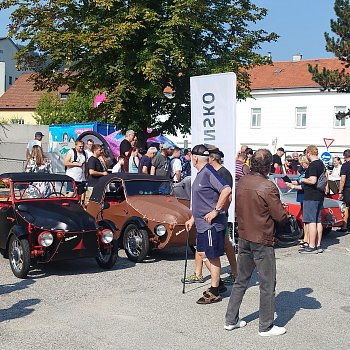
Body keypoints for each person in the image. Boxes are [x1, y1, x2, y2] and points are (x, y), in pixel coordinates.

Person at [225, 149, 288, 336]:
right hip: (262, 238)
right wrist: (283, 212)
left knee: (241, 280)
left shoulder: (242, 181)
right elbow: (280, 216)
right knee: (267, 283)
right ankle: (266, 326)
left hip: (244, 235)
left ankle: (231, 319)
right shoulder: (268, 186)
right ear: (268, 166)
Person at [185, 144, 231, 304]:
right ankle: (218, 282)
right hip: (201, 225)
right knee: (204, 255)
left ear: (195, 157)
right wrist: (192, 219)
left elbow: (226, 190)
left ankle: (214, 291)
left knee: (212, 257)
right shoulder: (201, 174)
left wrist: (216, 211)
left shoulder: (209, 172)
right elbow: (201, 200)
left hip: (212, 225)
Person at [299, 145, 326, 254]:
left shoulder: (313, 165)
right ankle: (318, 244)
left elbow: (312, 180)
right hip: (319, 195)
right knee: (318, 221)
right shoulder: (321, 164)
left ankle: (311, 245)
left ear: (309, 153)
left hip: (311, 196)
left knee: (310, 221)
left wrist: (303, 180)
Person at [286, 156, 310, 247]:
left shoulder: (307, 172)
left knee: (307, 219)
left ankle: (307, 239)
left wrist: (292, 186)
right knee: (305, 219)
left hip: (305, 195)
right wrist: (291, 182)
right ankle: (306, 238)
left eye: (302, 163)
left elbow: (304, 186)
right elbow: (299, 181)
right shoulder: (303, 171)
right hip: (301, 196)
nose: (301, 165)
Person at [338, 150, 350, 232]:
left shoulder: (345, 166)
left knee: (346, 207)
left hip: (348, 188)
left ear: (345, 156)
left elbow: (342, 180)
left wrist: (340, 191)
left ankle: (345, 226)